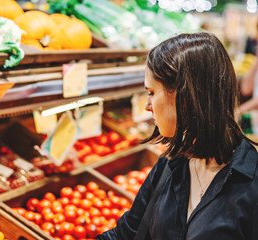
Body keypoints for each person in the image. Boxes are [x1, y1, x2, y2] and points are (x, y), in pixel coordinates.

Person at [97, 32, 258, 240]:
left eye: (152, 92)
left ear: (185, 97)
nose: (147, 106)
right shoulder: (170, 164)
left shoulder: (251, 184)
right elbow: (127, 233)